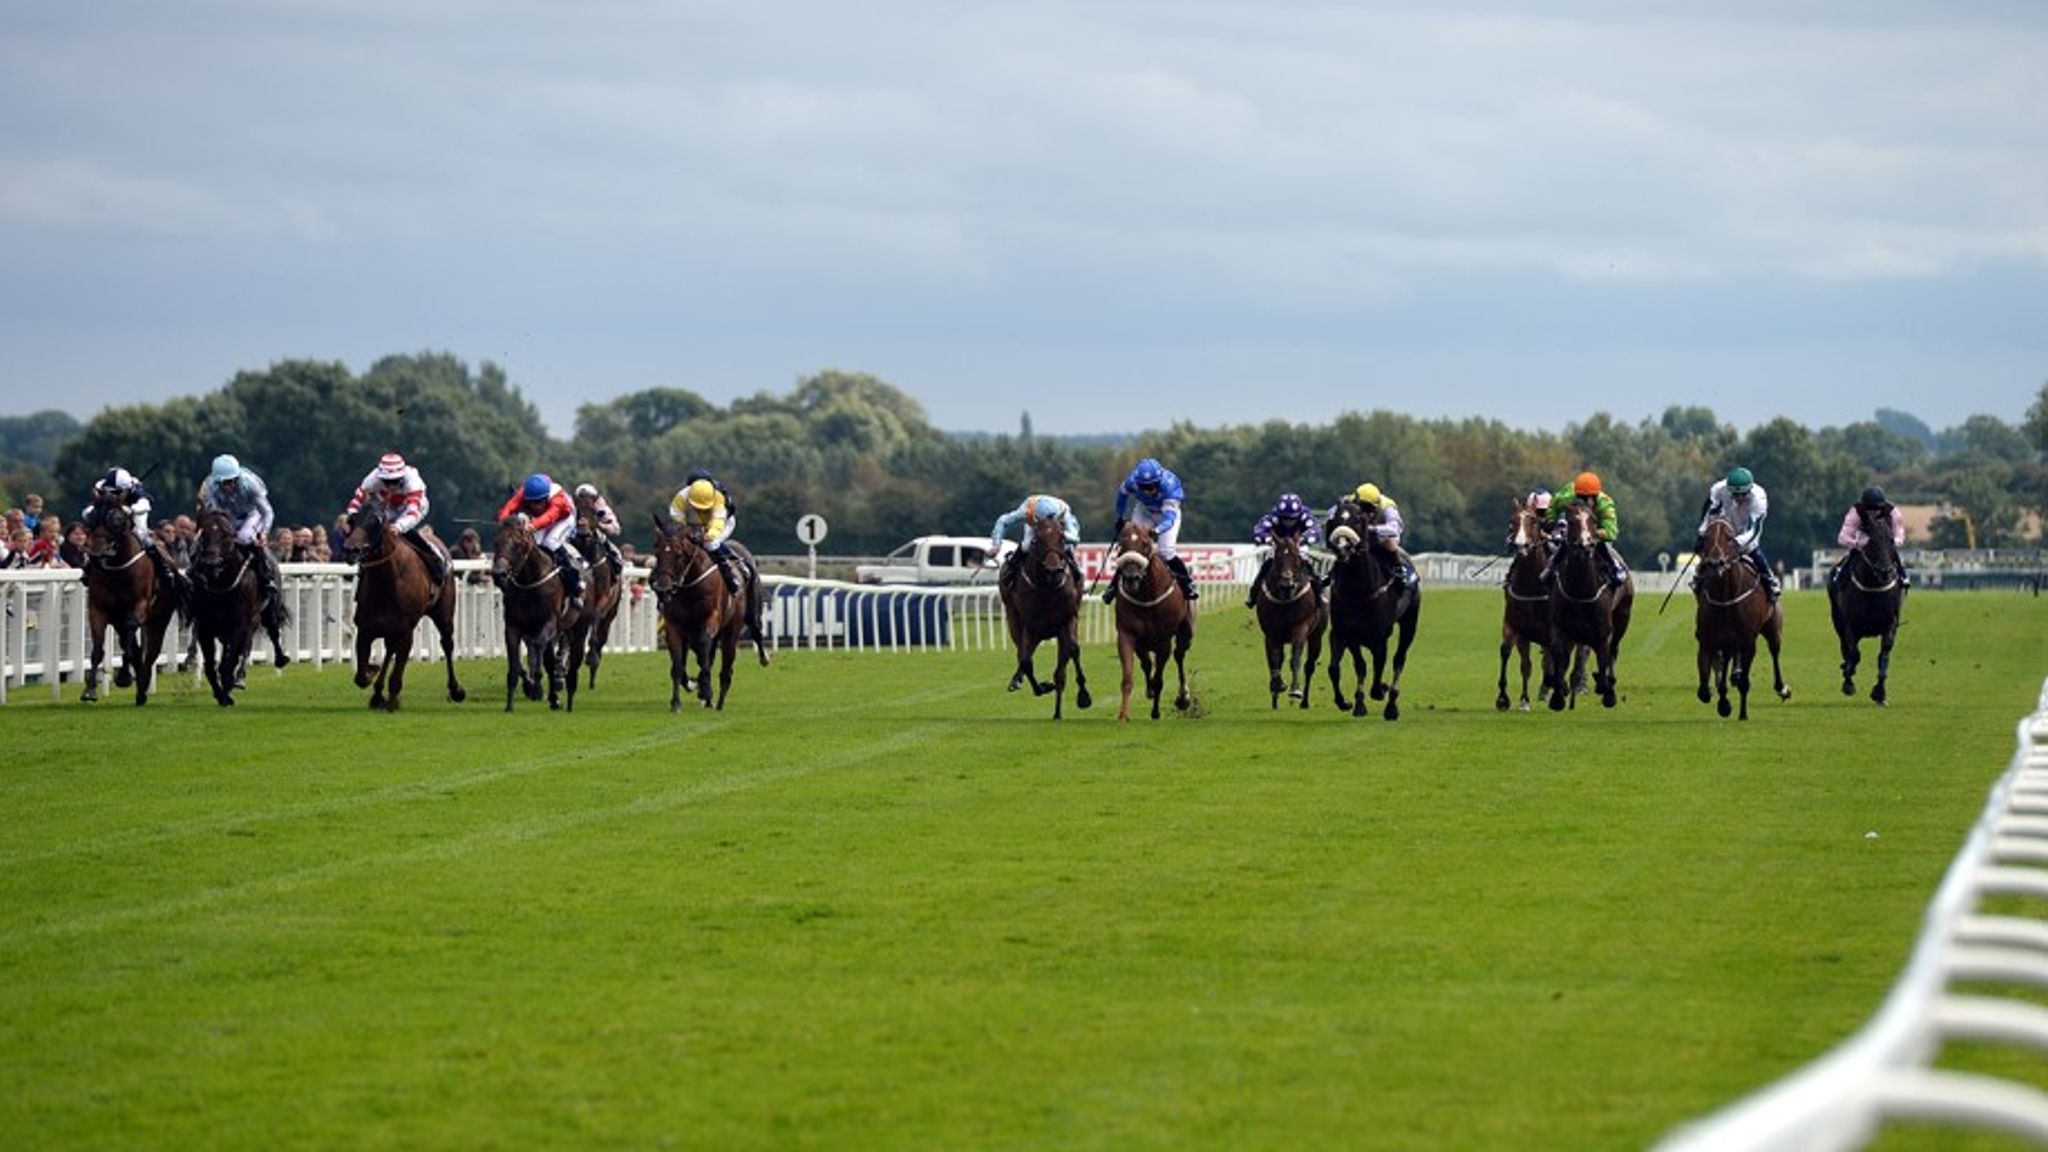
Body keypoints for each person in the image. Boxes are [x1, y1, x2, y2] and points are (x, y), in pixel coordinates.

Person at [199, 453, 289, 650]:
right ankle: (197, 579)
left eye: (231, 482)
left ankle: (267, 579)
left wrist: (263, 534)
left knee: (246, 537)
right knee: (209, 541)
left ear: (237, 478)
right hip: (227, 517)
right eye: (224, 483)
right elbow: (213, 514)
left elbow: (267, 512)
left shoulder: (251, 485)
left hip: (252, 515)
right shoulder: (210, 488)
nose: (228, 487)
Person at [667, 472, 768, 642]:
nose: (699, 507)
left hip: (722, 522)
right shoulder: (682, 496)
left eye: (702, 505)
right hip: (694, 523)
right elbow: (675, 514)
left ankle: (732, 576)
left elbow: (718, 523)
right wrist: (685, 530)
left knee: (711, 545)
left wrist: (710, 534)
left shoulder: (720, 499)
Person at [343, 452, 448, 585]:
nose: (391, 485)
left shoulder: (413, 482)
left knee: (408, 532)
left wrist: (399, 527)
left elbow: (412, 512)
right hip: (390, 506)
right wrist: (351, 518)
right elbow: (356, 501)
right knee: (374, 528)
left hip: (415, 506)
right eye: (387, 482)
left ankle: (434, 560)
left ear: (402, 476)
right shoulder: (372, 479)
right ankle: (363, 567)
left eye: (395, 481)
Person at [80, 466, 187, 594]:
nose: (112, 495)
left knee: (143, 537)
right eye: (110, 492)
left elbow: (145, 504)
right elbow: (86, 513)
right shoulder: (103, 488)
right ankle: (88, 568)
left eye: (116, 493)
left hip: (135, 515)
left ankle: (164, 570)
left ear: (125, 490)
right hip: (112, 516)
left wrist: (129, 510)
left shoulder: (136, 491)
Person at [1106, 457, 1197, 602]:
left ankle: (1187, 583)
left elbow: (1168, 519)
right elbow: (1122, 495)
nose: (1148, 491)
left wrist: (1157, 530)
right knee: (1131, 549)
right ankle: (1113, 586)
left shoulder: (1170, 486)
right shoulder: (1131, 482)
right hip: (1144, 511)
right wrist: (1120, 517)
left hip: (1167, 514)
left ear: (1159, 481)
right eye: (1143, 487)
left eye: (1152, 486)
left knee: (1166, 551)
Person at [495, 472, 587, 610]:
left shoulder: (557, 498)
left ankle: (575, 586)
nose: (535, 506)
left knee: (550, 542)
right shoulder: (523, 493)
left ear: (546, 497)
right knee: (533, 544)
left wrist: (532, 526)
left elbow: (550, 517)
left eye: (538, 502)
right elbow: (509, 508)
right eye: (531, 502)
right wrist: (504, 521)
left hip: (563, 519)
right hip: (541, 519)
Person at [1696, 465, 1776, 600]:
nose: (1739, 498)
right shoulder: (1718, 489)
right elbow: (1709, 514)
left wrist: (1736, 543)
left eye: (1743, 494)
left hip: (1747, 531)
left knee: (1754, 552)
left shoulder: (1759, 499)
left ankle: (1769, 580)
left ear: (1749, 490)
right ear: (1729, 490)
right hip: (1727, 525)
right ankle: (1698, 580)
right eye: (1735, 494)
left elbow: (1754, 530)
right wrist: (1702, 534)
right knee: (1711, 553)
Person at [1544, 472, 1628, 587]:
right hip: (1575, 531)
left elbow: (1612, 532)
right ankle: (1551, 568)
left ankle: (1615, 567)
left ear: (1596, 496)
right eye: (1581, 497)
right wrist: (1551, 521)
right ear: (1576, 494)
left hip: (1596, 536)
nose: (1586, 501)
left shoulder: (1605, 504)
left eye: (1590, 498)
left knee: (1604, 546)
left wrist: (1592, 533)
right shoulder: (1566, 496)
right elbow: (1552, 506)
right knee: (1565, 541)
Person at [987, 494, 1085, 589]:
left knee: (1067, 546)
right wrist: (996, 545)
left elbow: (1075, 538)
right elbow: (1003, 522)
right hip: (1034, 524)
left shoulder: (1064, 512)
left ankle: (1079, 572)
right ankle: (1010, 572)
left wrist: (1062, 535)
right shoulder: (1027, 511)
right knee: (1026, 545)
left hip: (1056, 528)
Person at [1246, 493, 1323, 609]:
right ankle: (1253, 595)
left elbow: (1316, 530)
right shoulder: (1273, 516)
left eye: (1292, 519)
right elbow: (1258, 530)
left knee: (1308, 565)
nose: (1289, 522)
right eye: (1285, 518)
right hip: (1278, 545)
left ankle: (1319, 595)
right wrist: (1269, 539)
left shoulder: (1305, 515)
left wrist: (1302, 539)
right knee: (1266, 565)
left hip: (1298, 544)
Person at [1831, 485, 1910, 594]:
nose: (1872, 513)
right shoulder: (1856, 512)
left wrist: (1895, 542)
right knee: (1852, 556)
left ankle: (1903, 577)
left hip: (1885, 543)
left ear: (1882, 507)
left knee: (1894, 556)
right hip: (1862, 543)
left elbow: (1899, 533)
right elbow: (1843, 537)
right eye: (1869, 509)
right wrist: (1858, 543)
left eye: (1876, 509)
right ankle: (1840, 578)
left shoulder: (1892, 512)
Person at [1336, 483, 1418, 588]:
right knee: (1343, 544)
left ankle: (1400, 569)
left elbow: (1394, 529)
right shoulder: (1348, 501)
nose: (1363, 512)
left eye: (1367, 508)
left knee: (1389, 542)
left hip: (1379, 537)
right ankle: (1333, 573)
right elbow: (1332, 514)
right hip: (1357, 537)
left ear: (1376, 506)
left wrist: (1370, 529)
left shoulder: (1388, 507)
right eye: (1360, 507)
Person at [573, 482, 625, 579]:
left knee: (616, 554)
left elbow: (616, 529)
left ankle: (616, 581)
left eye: (588, 499)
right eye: (582, 498)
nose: (585, 502)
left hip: (596, 537)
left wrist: (599, 525)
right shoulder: (572, 508)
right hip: (574, 538)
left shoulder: (601, 508)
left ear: (594, 499)